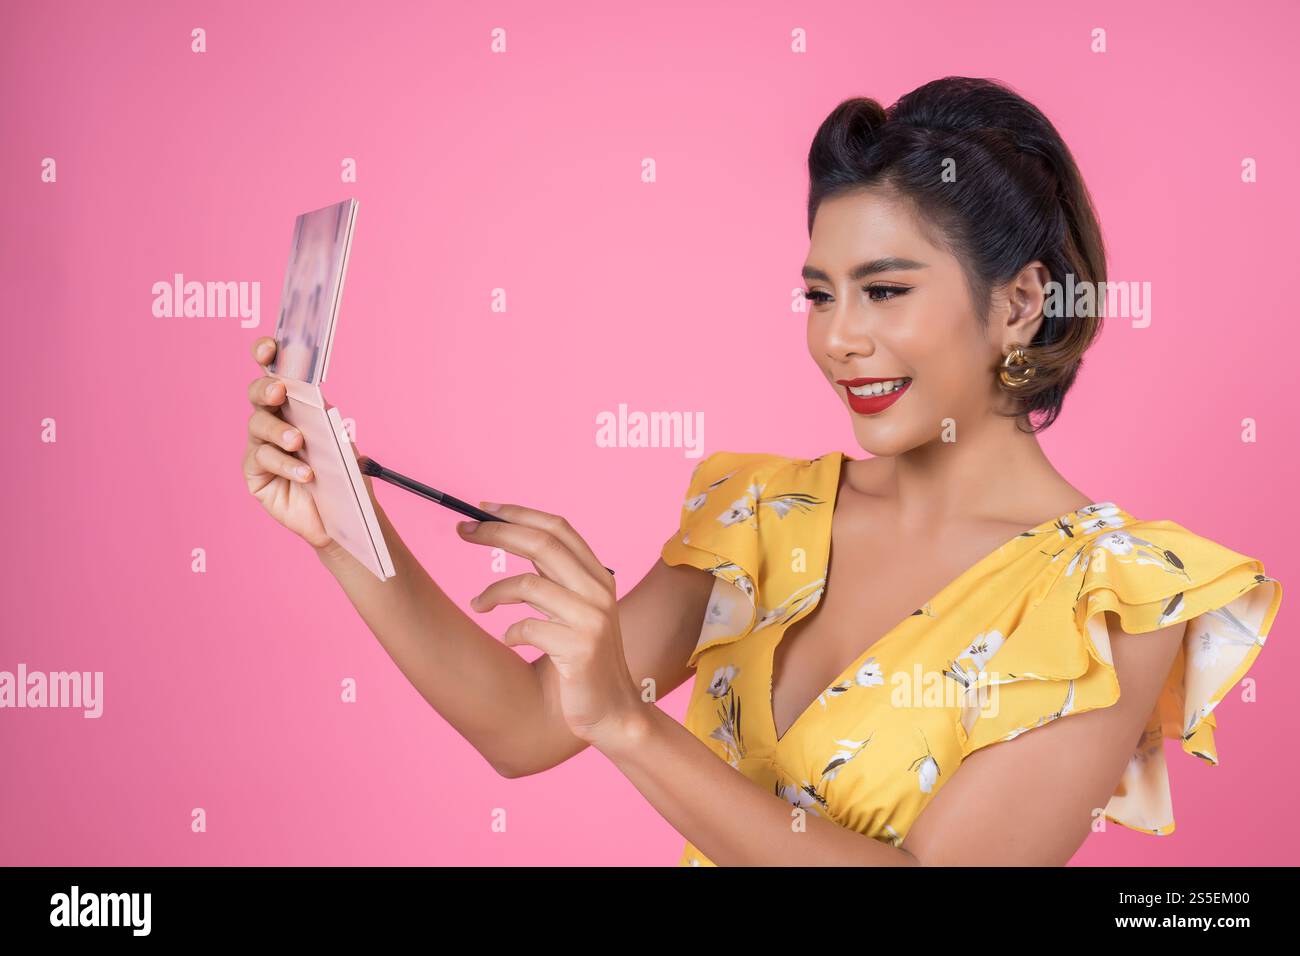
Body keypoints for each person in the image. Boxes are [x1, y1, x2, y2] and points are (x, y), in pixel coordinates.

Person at [241, 76, 1283, 866]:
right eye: (819, 295)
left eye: (882, 292)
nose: (838, 339)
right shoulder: (764, 513)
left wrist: (630, 722)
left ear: (1017, 305)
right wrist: (339, 519)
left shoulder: (1113, 599)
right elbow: (523, 726)